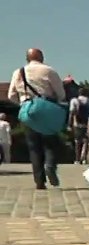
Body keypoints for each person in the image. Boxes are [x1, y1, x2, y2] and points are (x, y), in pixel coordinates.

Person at [8, 48, 67, 189]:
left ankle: (39, 181)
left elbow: (11, 95)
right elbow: (61, 94)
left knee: (34, 146)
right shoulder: (49, 71)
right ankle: (50, 166)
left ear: (27, 58)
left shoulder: (19, 72)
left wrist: (23, 104)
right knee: (50, 142)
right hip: (47, 110)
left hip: (29, 111)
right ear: (42, 57)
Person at [69, 84, 89, 164]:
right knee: (86, 141)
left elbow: (72, 112)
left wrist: (69, 124)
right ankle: (84, 159)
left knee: (77, 142)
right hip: (87, 123)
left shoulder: (74, 100)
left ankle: (77, 159)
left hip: (77, 124)